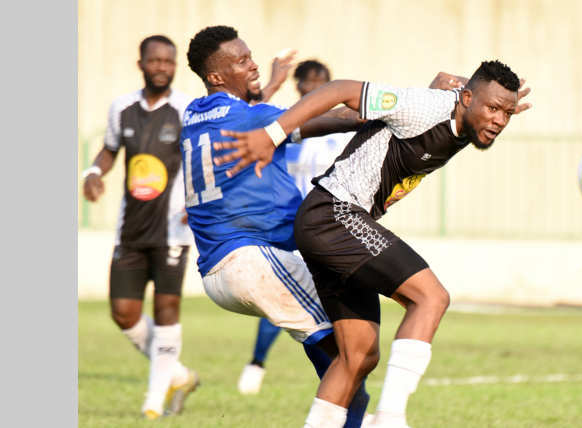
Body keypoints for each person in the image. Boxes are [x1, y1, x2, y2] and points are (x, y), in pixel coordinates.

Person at [212, 60, 532, 428]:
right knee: (430, 298)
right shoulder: (426, 106)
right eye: (492, 109)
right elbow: (342, 90)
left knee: (358, 356)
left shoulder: (464, 117)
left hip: (329, 224)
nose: (499, 120)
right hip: (334, 213)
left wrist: (488, 100)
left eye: (506, 113)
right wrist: (273, 133)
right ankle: (391, 419)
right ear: (467, 97)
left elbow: (449, 96)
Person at [181, 25, 372, 428]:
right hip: (253, 259)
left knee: (340, 365)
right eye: (241, 61)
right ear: (216, 76)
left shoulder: (195, 113)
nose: (251, 64)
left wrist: (267, 86)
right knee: (353, 360)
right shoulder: (253, 117)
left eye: (250, 56)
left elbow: (248, 116)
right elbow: (334, 118)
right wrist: (403, 107)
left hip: (221, 270)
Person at [81, 35, 200, 420]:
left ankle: (153, 401)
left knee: (166, 308)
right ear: (142, 64)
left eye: (169, 61)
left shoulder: (186, 109)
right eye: (155, 61)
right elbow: (110, 149)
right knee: (124, 313)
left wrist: (195, 202)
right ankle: (177, 375)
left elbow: (202, 159)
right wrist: (94, 171)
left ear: (175, 66)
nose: (162, 67)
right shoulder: (122, 108)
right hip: (130, 229)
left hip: (173, 229)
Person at [237, 58, 357, 395]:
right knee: (284, 295)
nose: (317, 87)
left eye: (324, 81)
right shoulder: (285, 124)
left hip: (331, 225)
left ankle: (340, 376)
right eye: (310, 83)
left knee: (332, 299)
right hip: (289, 225)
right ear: (299, 87)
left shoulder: (339, 128)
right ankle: (257, 362)